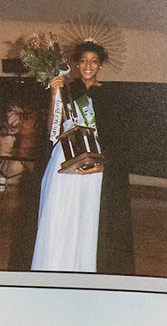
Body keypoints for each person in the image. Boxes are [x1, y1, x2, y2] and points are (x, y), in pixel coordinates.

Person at [31, 40, 134, 274]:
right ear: (77, 64)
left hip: (95, 161)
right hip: (65, 158)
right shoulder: (68, 89)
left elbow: (118, 139)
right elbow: (53, 131)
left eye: (94, 61)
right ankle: (56, 266)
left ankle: (83, 269)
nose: (88, 65)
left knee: (87, 219)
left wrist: (103, 165)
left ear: (100, 66)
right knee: (61, 214)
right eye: (84, 60)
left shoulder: (111, 96)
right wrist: (54, 94)